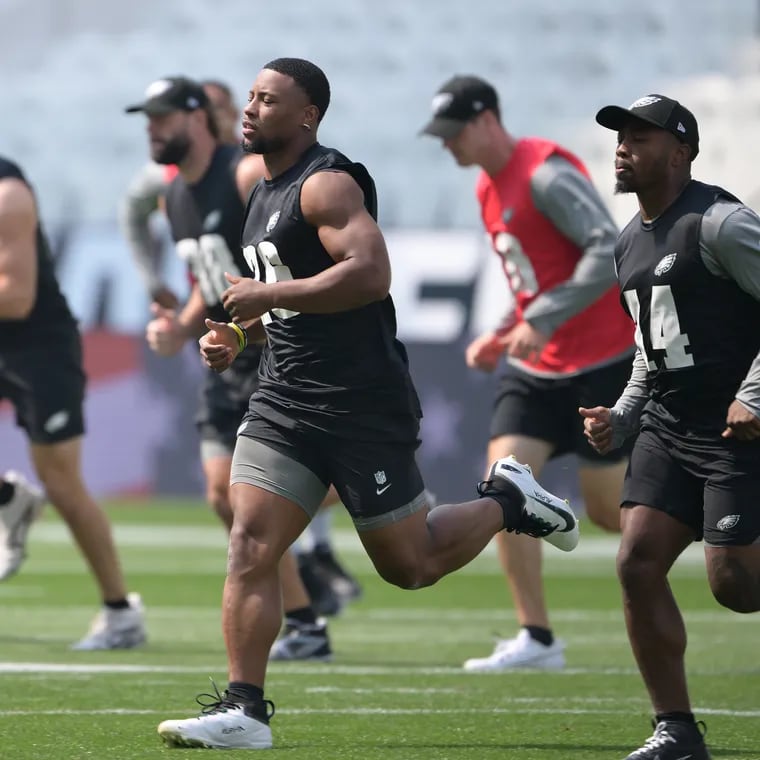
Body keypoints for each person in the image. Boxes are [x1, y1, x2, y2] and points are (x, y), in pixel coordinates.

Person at [155, 56, 579, 751]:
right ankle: (244, 711)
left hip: (361, 403)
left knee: (409, 565)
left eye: (269, 100)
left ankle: (509, 501)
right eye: (250, 97)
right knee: (249, 542)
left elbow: (370, 275)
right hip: (283, 398)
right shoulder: (260, 192)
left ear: (307, 116)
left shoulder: (326, 183)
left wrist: (265, 298)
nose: (251, 110)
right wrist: (237, 331)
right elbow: (288, 295)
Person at [420, 75, 634, 671]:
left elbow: (605, 251)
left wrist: (538, 317)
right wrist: (504, 329)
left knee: (608, 510)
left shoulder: (545, 173)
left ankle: (735, 539)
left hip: (599, 361)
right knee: (507, 484)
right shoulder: (488, 188)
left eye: (453, 133)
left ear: (487, 119)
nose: (448, 146)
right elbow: (534, 277)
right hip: (536, 368)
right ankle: (537, 637)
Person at [125, 76, 337, 660]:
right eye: (147, 119)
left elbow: (289, 251)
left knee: (252, 500)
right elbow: (208, 279)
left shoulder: (242, 175)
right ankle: (305, 619)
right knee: (226, 497)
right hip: (227, 351)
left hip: (271, 349)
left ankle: (306, 609)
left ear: (197, 118)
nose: (152, 129)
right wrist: (181, 323)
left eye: (163, 117)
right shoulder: (174, 196)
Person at [583, 93, 760, 760]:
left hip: (737, 431)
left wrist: (755, 395)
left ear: (681, 151)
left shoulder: (721, 224)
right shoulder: (628, 240)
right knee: (636, 560)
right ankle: (676, 731)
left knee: (737, 588)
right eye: (621, 136)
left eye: (642, 136)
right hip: (668, 426)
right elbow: (651, 345)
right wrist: (623, 416)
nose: (624, 146)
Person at [0, 156, 146, 649]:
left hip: (36, 348)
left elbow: (15, 297)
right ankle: (7, 499)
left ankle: (120, 613)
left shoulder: (8, 194)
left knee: (62, 483)